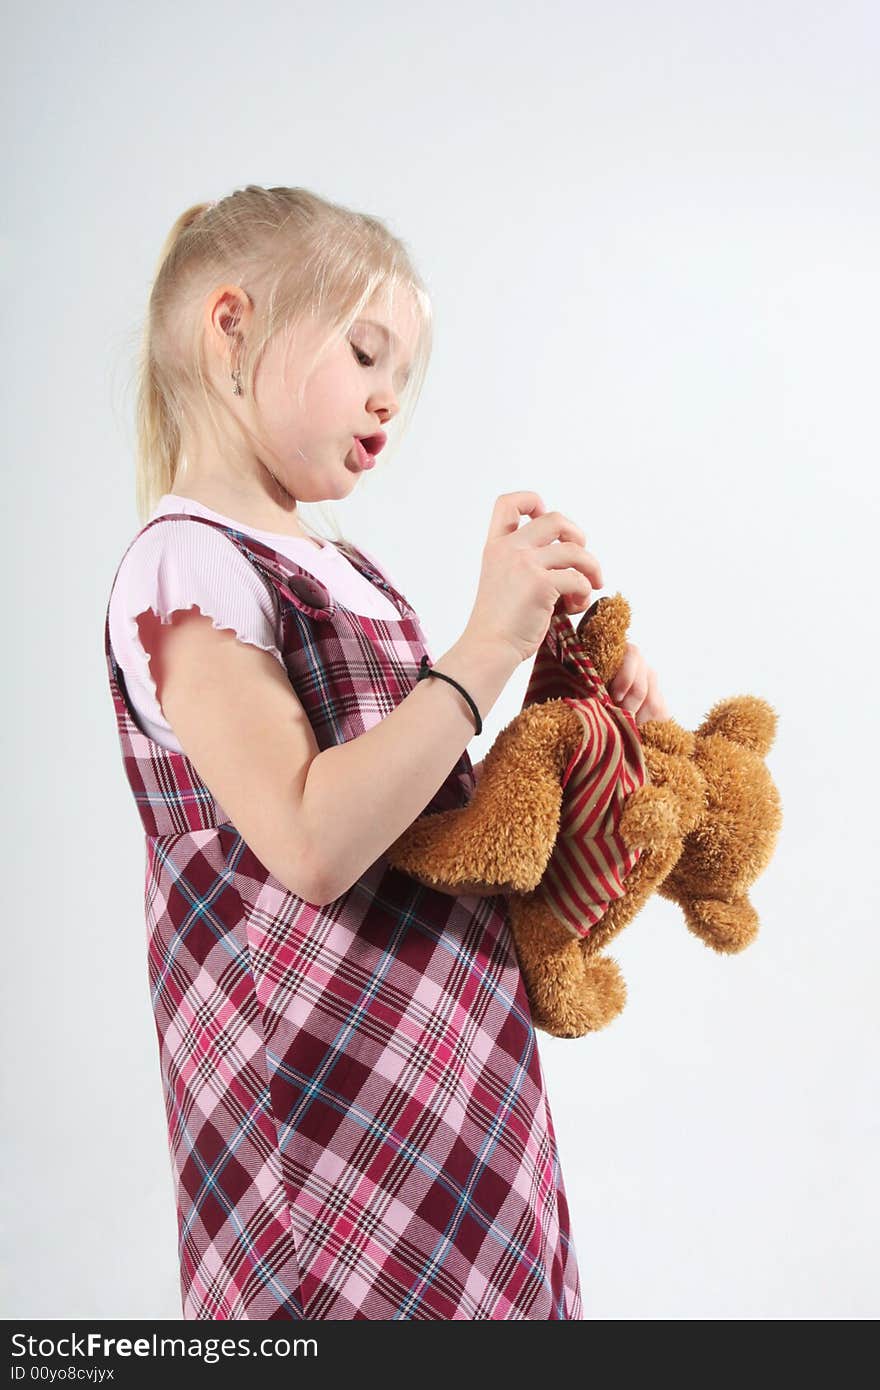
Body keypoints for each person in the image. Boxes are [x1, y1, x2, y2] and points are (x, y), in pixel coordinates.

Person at [103, 183, 668, 1321]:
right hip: (324, 1128)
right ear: (232, 328)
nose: (388, 400)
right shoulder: (182, 573)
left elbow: (424, 821)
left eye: (403, 376)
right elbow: (311, 838)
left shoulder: (346, 570)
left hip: (453, 1092)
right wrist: (487, 641)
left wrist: (572, 720)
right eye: (366, 355)